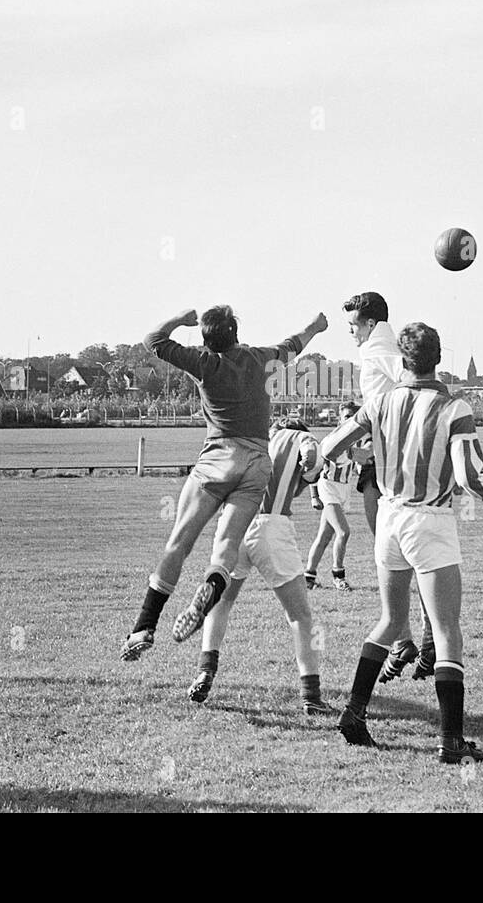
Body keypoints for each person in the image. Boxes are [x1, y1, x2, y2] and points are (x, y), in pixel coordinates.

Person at [321, 322, 483, 763]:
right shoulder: (454, 407)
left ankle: (354, 712)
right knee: (446, 634)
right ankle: (451, 743)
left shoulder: (381, 401)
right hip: (430, 521)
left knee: (390, 621)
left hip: (389, 517)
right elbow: (467, 475)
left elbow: (331, 445)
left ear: (402, 361)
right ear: (438, 359)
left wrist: (324, 462)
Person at [120, 305, 328, 661]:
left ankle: (144, 625)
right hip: (256, 464)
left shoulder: (204, 363)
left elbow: (152, 340)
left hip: (217, 460)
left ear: (206, 339)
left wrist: (181, 319)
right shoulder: (261, 358)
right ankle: (214, 583)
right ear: (235, 332)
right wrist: (316, 326)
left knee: (179, 542)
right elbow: (294, 344)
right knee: (228, 541)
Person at [186, 418, 337, 716]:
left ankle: (206, 670)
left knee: (222, 602)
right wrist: (310, 459)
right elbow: (311, 456)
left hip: (234, 526)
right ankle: (311, 695)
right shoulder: (299, 437)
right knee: (300, 617)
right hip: (272, 527)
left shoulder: (251, 439)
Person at [343, 292, 435, 682]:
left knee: (399, 554)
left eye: (353, 325)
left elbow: (412, 379)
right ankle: (408, 640)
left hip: (391, 457)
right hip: (384, 453)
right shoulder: (379, 345)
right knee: (397, 554)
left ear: (369, 323)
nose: (351, 333)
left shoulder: (380, 345)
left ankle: (422, 640)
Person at [305, 401, 359, 591]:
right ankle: (338, 576)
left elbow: (359, 463)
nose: (349, 420)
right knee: (343, 532)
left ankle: (308, 577)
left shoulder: (354, 442)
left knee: (323, 537)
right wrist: (314, 496)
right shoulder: (331, 440)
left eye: (353, 417)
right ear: (339, 419)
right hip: (328, 488)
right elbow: (313, 469)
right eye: (346, 416)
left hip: (344, 490)